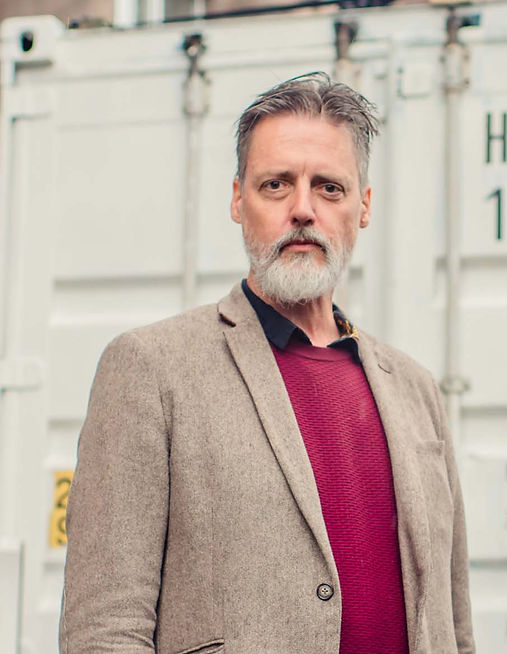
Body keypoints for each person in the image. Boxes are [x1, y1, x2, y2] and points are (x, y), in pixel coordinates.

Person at [60, 72, 474, 653]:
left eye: (329, 188)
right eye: (276, 185)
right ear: (237, 199)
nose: (302, 209)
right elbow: (104, 630)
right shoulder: (150, 369)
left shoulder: (417, 390)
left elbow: (454, 629)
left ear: (364, 208)